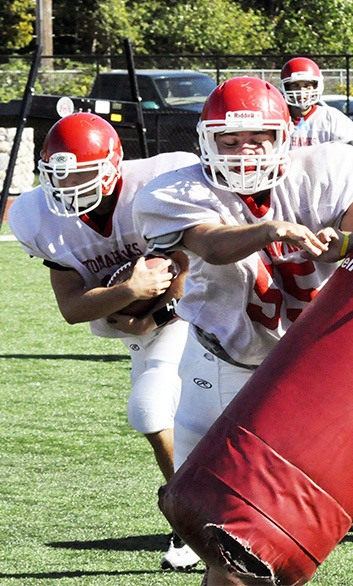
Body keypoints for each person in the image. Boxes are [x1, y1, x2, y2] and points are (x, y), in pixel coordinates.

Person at [132, 76, 353, 585]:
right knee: (224, 531)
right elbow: (212, 245)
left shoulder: (328, 167)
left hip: (312, 365)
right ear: (206, 141)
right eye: (229, 140)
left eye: (258, 138)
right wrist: (268, 230)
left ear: (284, 136)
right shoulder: (173, 192)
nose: (243, 151)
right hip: (223, 363)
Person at [7, 112, 202, 572]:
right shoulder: (39, 217)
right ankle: (194, 514)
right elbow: (73, 307)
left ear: (114, 165)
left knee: (164, 406)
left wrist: (157, 308)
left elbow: (190, 257)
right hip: (140, 322)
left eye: (82, 173)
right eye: (60, 174)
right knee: (154, 414)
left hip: (200, 307)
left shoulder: (154, 183)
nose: (70, 185)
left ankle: (193, 519)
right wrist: (129, 295)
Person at [280, 56, 353, 148]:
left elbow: (343, 158)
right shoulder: (277, 118)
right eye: (295, 86)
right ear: (286, 87)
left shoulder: (332, 119)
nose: (302, 91)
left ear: (316, 87)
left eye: (307, 86)